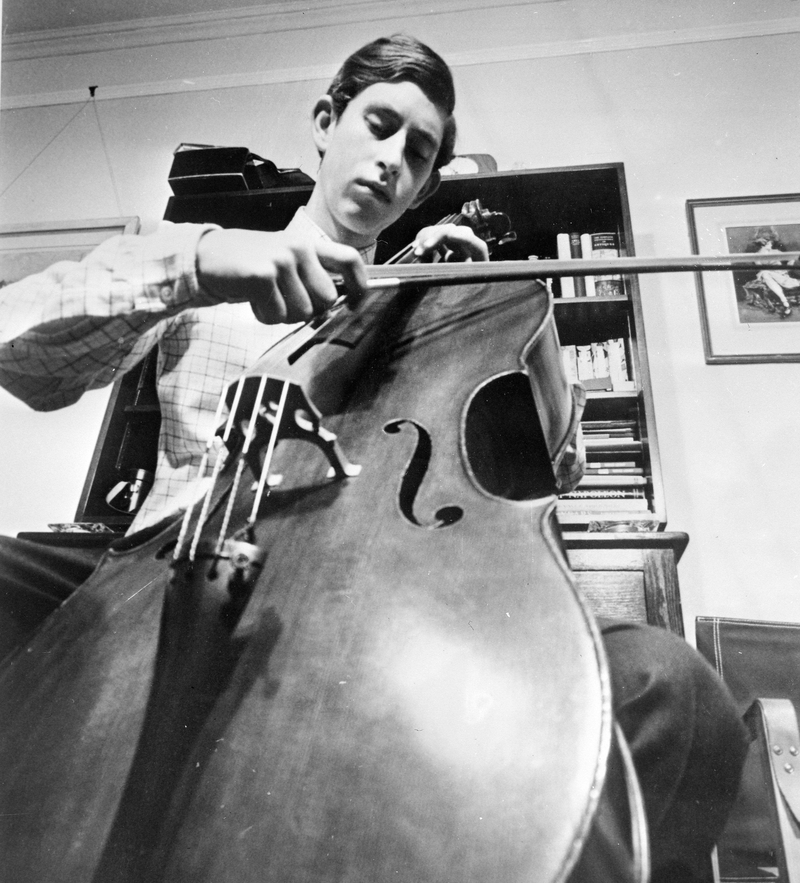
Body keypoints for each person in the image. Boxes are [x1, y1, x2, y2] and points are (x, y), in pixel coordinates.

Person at [0, 33, 746, 883]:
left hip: (377, 591)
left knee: (674, 691)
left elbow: (562, 465)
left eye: (417, 152)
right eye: (379, 125)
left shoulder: (430, 306)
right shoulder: (215, 273)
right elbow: (21, 351)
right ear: (326, 122)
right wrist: (201, 262)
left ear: (428, 184)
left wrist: (477, 315)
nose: (392, 160)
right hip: (161, 564)